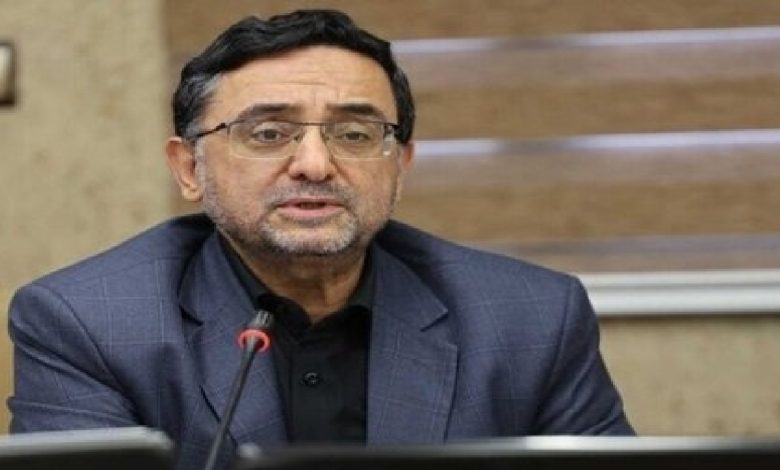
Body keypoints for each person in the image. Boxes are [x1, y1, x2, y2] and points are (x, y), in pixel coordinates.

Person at [7, 9, 633, 470]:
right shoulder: (87, 322)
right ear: (188, 168)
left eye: (355, 135)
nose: (314, 164)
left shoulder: (532, 318)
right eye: (268, 134)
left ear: (400, 166)